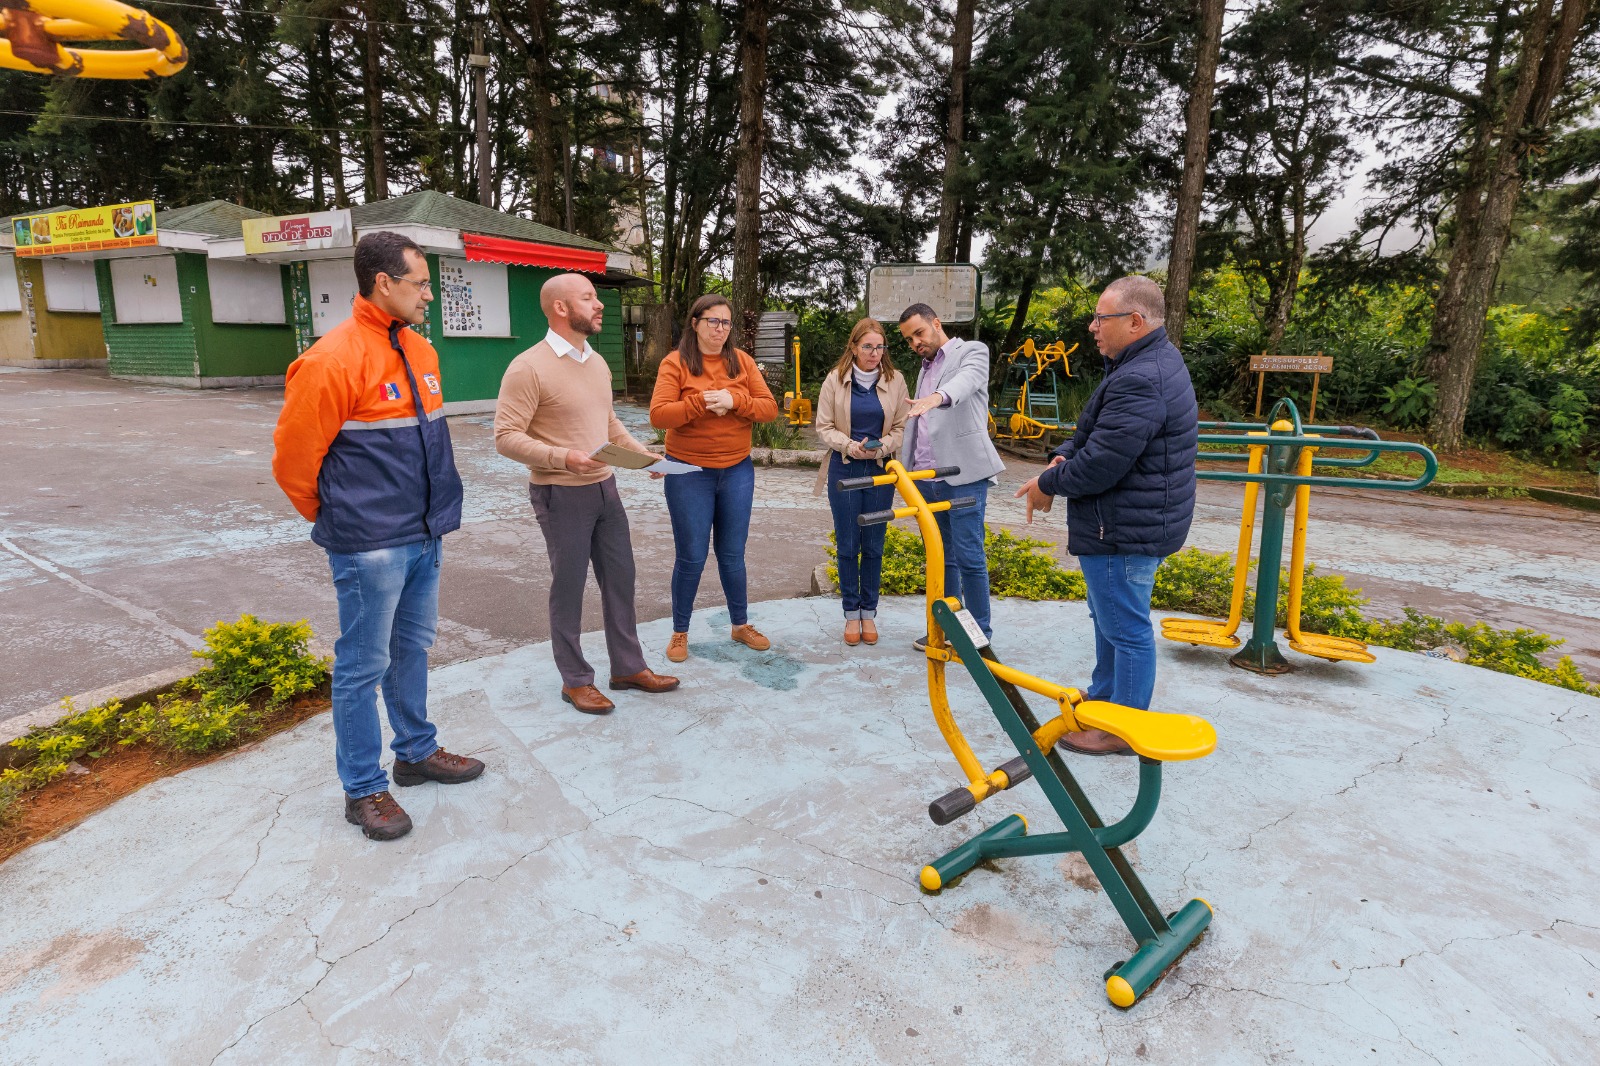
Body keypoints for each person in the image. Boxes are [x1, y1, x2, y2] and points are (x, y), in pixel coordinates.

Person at [272, 232, 484, 843]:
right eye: (420, 283)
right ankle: (363, 788)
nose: (430, 296)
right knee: (363, 665)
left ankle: (416, 752)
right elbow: (293, 463)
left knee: (412, 648)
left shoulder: (420, 351)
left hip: (424, 535)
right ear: (383, 283)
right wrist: (346, 519)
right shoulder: (330, 360)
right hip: (371, 545)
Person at [1015, 275, 1198, 755]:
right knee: (1111, 616)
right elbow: (1095, 433)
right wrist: (1063, 456)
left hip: (1122, 529)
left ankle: (1121, 729)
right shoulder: (1146, 360)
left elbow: (1102, 464)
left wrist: (1046, 483)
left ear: (1135, 322)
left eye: (1102, 318)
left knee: (1125, 627)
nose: (1093, 327)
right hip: (1128, 522)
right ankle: (1106, 699)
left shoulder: (1141, 376)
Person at [493, 273, 681, 715]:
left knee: (620, 579)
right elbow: (505, 436)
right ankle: (576, 679)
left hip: (605, 490)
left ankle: (628, 668)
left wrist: (643, 457)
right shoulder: (527, 367)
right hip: (560, 494)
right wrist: (564, 457)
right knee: (569, 587)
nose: (598, 305)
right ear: (561, 308)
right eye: (589, 297)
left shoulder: (595, 362)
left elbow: (609, 423)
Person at [649, 295, 780, 663]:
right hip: (689, 472)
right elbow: (659, 416)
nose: (720, 329)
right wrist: (702, 402)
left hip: (737, 470)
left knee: (732, 554)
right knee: (691, 557)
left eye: (725, 323)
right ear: (695, 323)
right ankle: (680, 631)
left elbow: (769, 408)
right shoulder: (675, 364)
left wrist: (735, 401)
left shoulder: (743, 362)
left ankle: (740, 625)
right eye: (713, 321)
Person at [897, 302, 1006, 646]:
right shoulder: (924, 367)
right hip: (927, 477)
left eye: (919, 333)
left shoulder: (971, 351)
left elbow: (966, 382)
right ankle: (945, 631)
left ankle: (979, 636)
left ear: (936, 323)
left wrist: (938, 397)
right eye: (909, 339)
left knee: (969, 556)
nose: (915, 342)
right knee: (943, 558)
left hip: (964, 475)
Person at [813, 317, 909, 645]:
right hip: (845, 468)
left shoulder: (896, 381)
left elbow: (901, 427)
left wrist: (883, 446)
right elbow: (823, 427)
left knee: (873, 545)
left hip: (881, 471)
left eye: (879, 347)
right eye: (867, 346)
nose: (874, 353)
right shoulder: (834, 380)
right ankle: (850, 615)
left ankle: (869, 613)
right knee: (848, 544)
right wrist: (849, 445)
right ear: (853, 347)